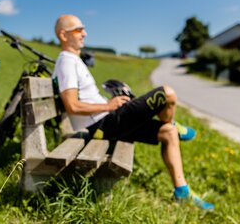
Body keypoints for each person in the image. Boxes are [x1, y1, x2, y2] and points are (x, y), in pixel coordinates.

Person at [53, 14, 214, 210]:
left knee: (167, 133)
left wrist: (110, 104)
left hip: (108, 120)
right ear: (63, 35)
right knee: (167, 94)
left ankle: (182, 192)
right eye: (79, 30)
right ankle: (172, 123)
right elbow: (72, 106)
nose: (84, 33)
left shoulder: (73, 61)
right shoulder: (66, 62)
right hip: (102, 126)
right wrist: (108, 106)